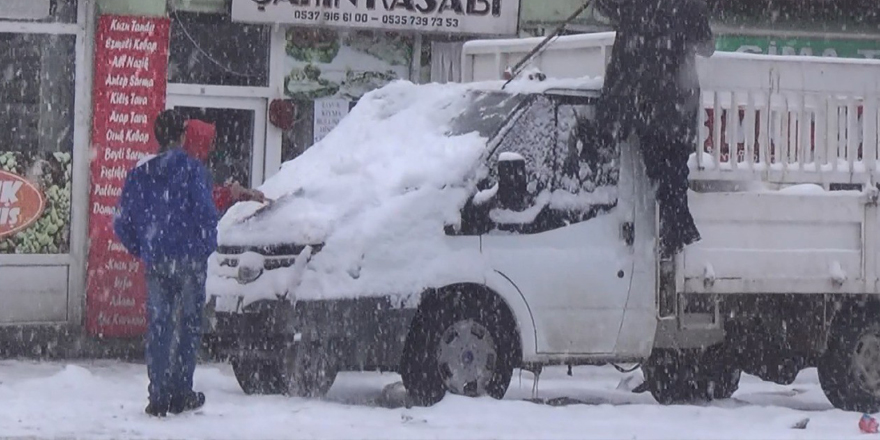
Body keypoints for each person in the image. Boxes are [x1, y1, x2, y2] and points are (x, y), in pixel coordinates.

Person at [114, 109, 219, 417]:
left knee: (159, 326)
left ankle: (158, 393)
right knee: (188, 325)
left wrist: (143, 248)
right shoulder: (192, 170)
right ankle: (181, 391)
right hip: (189, 258)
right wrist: (203, 248)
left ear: (157, 136)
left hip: (157, 259)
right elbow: (206, 214)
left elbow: (122, 221)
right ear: (182, 136)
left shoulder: (140, 173)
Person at [596, 0, 715, 257]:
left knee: (661, 170)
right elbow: (707, 46)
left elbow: (610, 18)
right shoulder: (687, 6)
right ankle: (677, 227)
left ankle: (676, 226)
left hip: (648, 104)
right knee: (673, 170)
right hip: (679, 103)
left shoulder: (634, 7)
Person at [182, 119, 266, 213]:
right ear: (199, 143)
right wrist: (231, 193)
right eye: (210, 142)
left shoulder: (189, 168)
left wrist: (235, 193)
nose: (213, 148)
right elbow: (204, 201)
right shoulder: (186, 171)